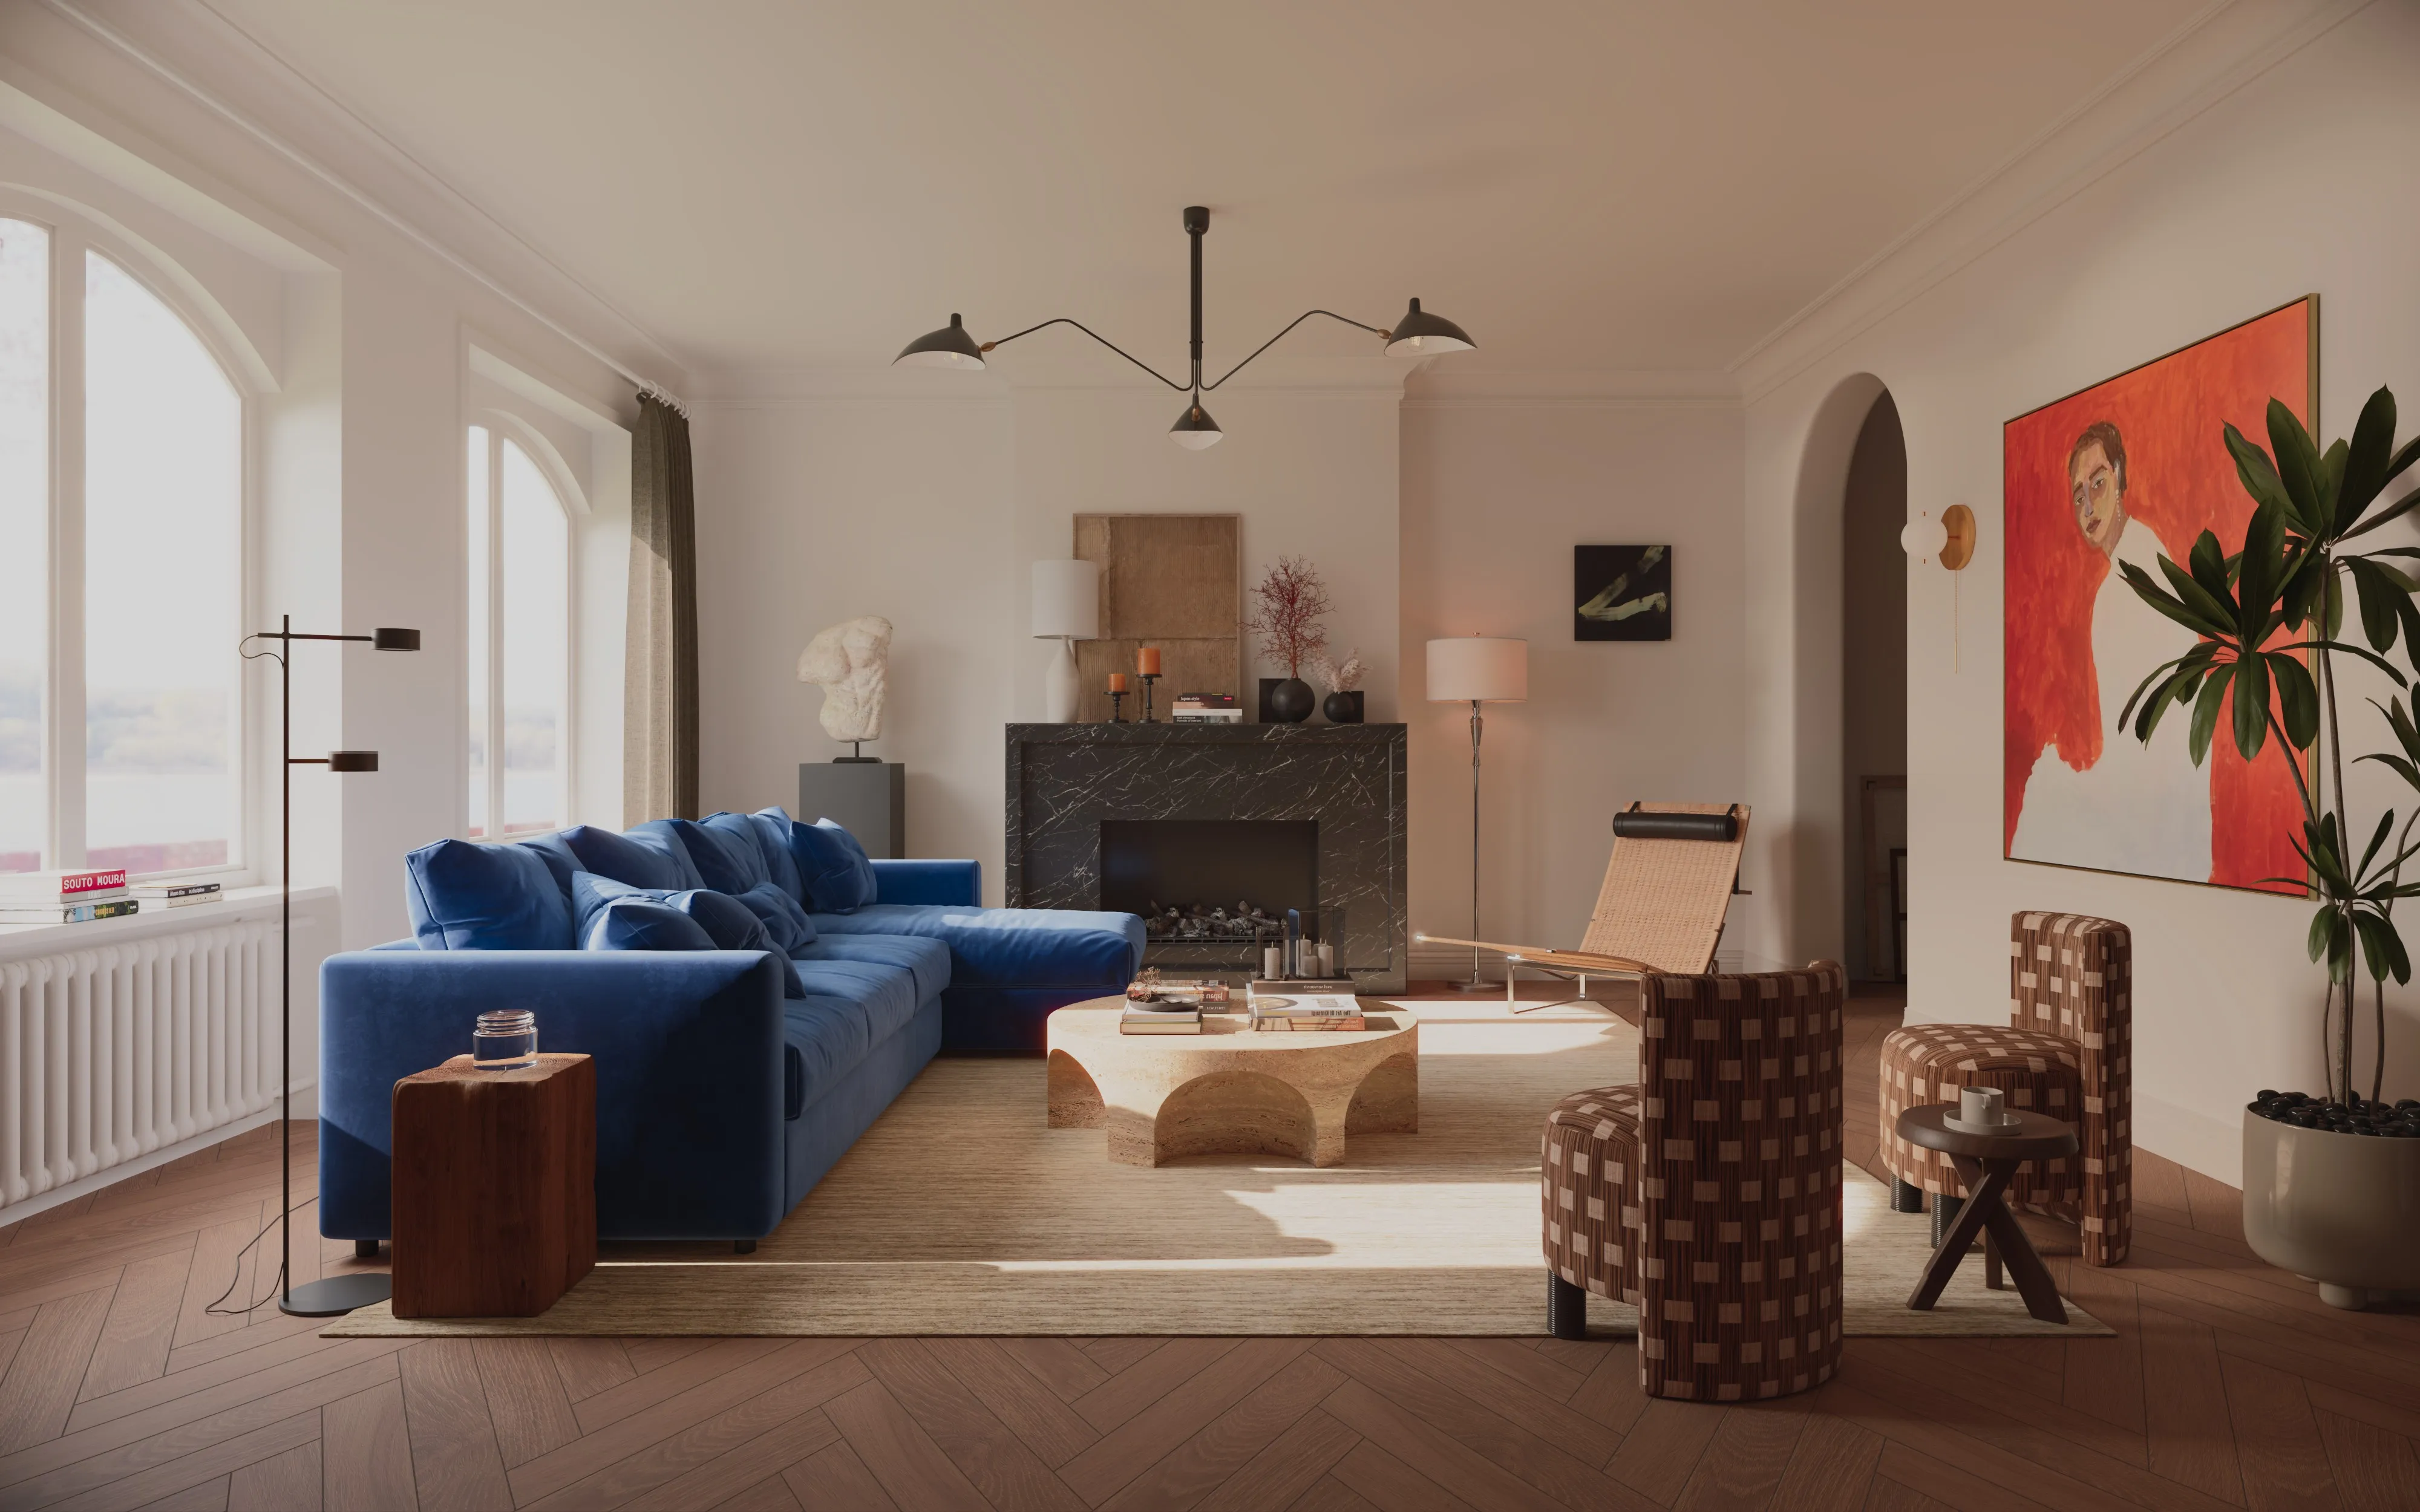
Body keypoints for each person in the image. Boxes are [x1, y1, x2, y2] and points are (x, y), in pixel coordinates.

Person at [2009, 421, 2213, 881]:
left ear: (2120, 476)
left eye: (2098, 483)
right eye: (2078, 496)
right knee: (2049, 783)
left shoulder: (2138, 572)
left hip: (2158, 808)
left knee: (2045, 790)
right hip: (2150, 797)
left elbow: (2151, 740)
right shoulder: (2130, 568)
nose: (2088, 506)